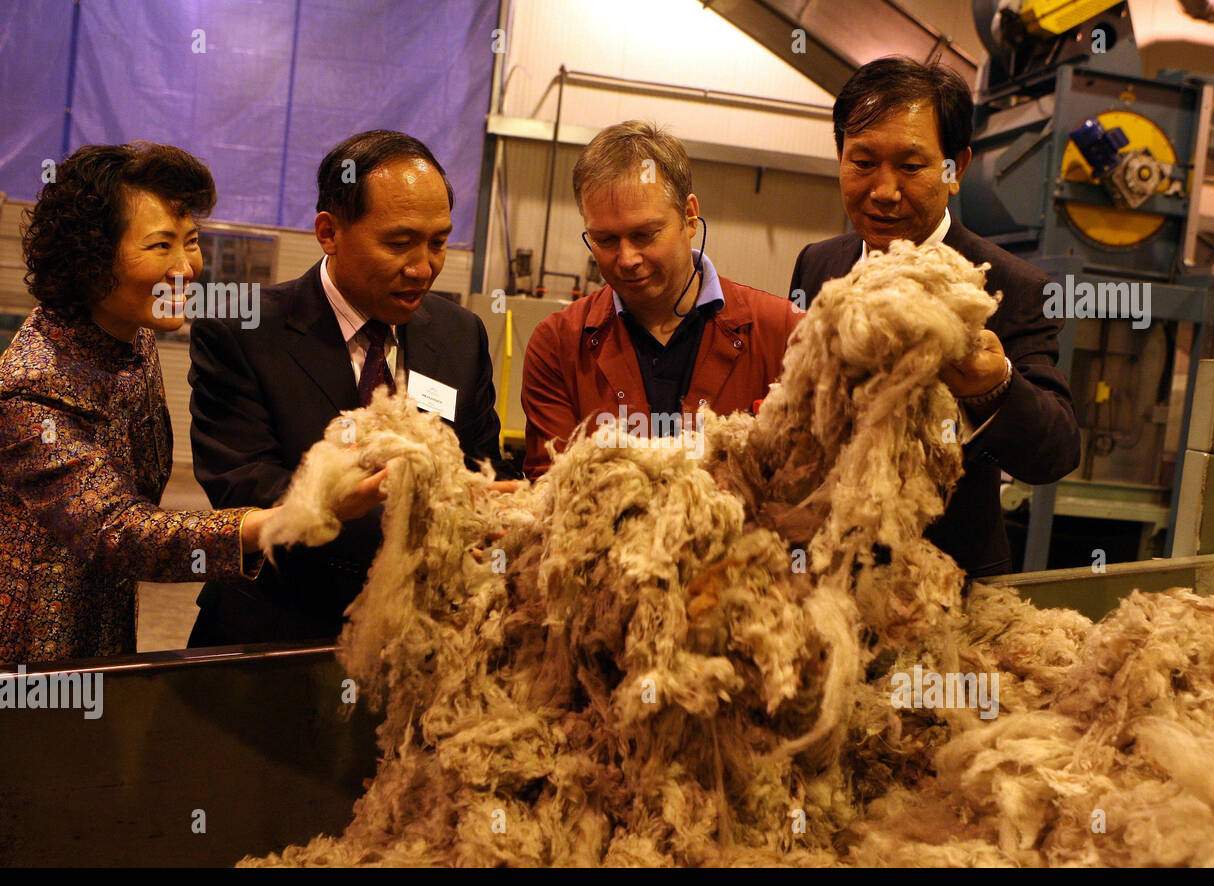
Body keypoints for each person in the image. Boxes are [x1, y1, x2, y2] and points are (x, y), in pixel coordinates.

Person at [0, 143, 384, 663]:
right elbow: (117, 532)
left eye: (192, 241)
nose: (186, 267)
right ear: (88, 257)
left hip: (103, 636)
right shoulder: (33, 386)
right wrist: (288, 517)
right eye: (160, 246)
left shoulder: (129, 339)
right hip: (28, 661)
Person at [187, 130, 502, 647]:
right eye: (399, 243)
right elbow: (241, 482)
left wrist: (489, 506)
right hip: (277, 635)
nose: (423, 268)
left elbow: (480, 462)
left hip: (414, 642)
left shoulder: (460, 335)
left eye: (438, 242)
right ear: (329, 233)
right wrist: (344, 501)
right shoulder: (242, 329)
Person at [789, 57, 1081, 577]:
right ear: (839, 155)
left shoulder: (1010, 288)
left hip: (946, 587)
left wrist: (995, 387)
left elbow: (1055, 452)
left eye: (911, 165)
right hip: (823, 572)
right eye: (862, 162)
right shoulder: (819, 265)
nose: (884, 190)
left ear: (956, 168)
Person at [521, 121, 801, 479]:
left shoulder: (784, 335)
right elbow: (551, 493)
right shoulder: (558, 345)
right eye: (604, 240)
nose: (627, 259)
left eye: (645, 234)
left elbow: (806, 489)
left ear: (689, 217)